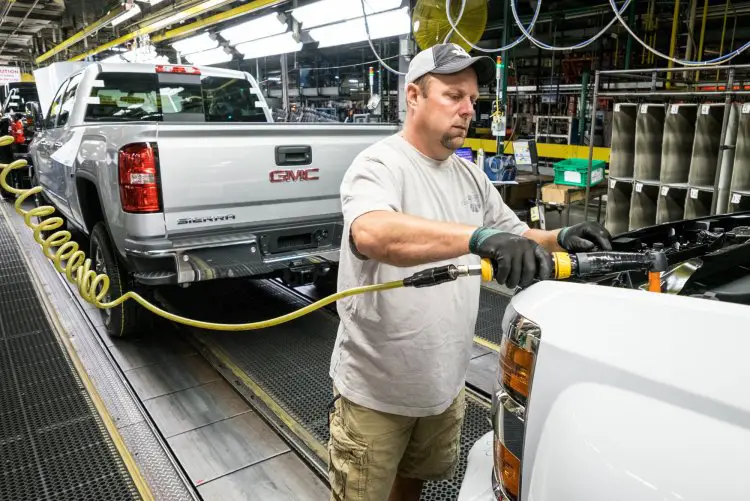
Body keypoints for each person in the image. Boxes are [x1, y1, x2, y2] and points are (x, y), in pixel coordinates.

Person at [327, 43, 612, 501]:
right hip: (377, 390)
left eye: (473, 101)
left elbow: (516, 233)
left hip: (442, 382)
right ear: (414, 96)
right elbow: (373, 233)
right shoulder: (380, 164)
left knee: (413, 485)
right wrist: (476, 239)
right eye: (453, 95)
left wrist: (560, 237)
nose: (467, 110)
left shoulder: (470, 177)